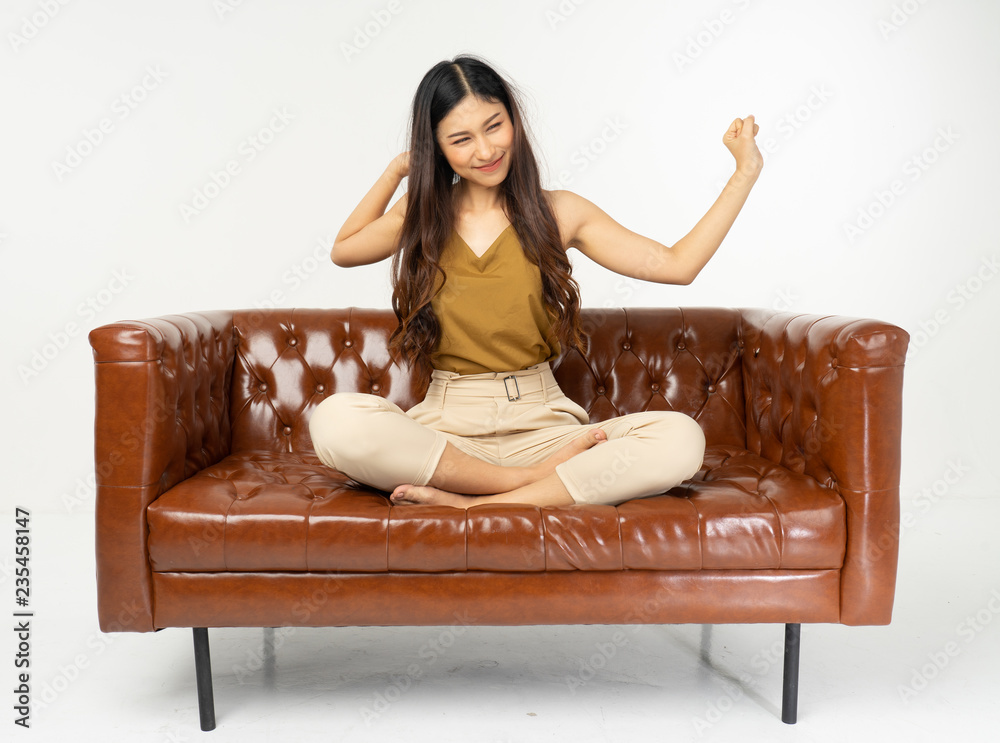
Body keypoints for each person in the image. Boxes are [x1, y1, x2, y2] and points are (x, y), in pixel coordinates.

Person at [308, 55, 762, 509]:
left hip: (544, 428)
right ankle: (524, 485)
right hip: (447, 433)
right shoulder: (421, 213)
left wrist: (745, 172)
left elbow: (677, 265)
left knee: (679, 438)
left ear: (514, 120)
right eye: (461, 139)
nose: (485, 151)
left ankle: (473, 504)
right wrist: (395, 171)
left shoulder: (560, 212)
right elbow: (344, 250)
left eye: (494, 126)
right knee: (335, 421)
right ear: (437, 147)